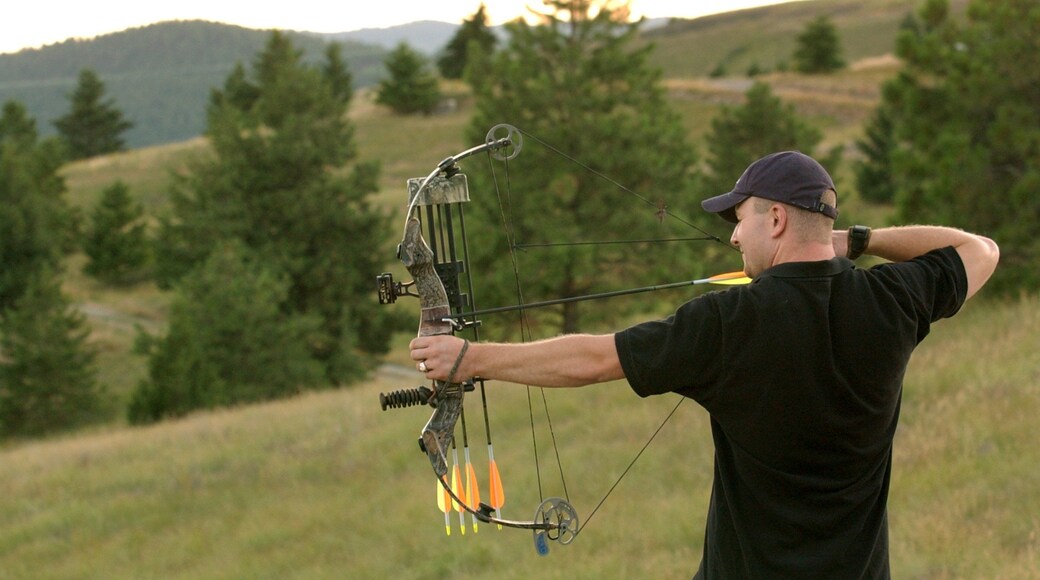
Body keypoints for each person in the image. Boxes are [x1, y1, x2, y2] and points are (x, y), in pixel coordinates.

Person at [409, 151, 999, 578]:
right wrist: (855, 241)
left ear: (776, 220)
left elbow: (592, 359)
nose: (735, 238)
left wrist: (471, 357)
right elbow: (980, 251)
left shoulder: (726, 324)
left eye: (739, 219)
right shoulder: (892, 301)